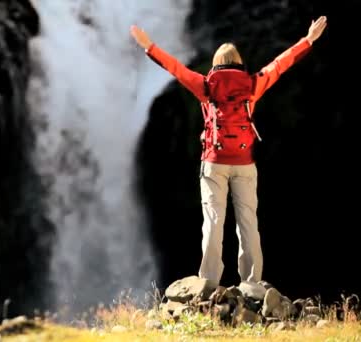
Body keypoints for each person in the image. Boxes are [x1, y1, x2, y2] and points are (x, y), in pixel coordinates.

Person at [130, 16, 327, 286]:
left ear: (215, 64)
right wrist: (308, 41)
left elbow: (176, 69)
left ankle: (208, 282)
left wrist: (149, 46)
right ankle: (252, 282)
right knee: (248, 224)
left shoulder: (205, 86)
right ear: (239, 63)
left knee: (213, 222)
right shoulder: (253, 85)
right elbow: (280, 65)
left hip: (213, 163)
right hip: (244, 163)